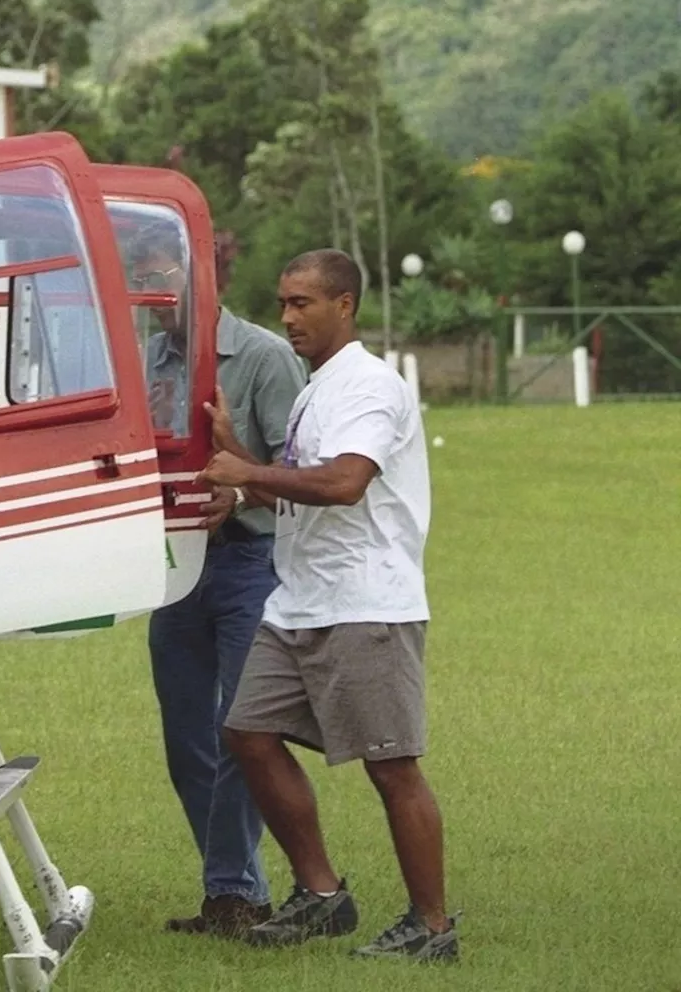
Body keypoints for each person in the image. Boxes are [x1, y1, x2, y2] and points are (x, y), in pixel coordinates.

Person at [202, 247, 457, 962]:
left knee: (392, 766)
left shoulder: (368, 387)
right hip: (301, 601)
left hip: (366, 602)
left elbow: (345, 483)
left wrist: (247, 468)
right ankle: (322, 894)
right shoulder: (320, 386)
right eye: (283, 302)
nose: (287, 317)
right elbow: (300, 486)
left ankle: (432, 929)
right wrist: (243, 467)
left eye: (302, 303)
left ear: (344, 305)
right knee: (247, 732)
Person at [145, 229, 305, 941]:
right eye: (140, 280)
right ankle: (234, 888)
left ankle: (233, 893)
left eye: (161, 277)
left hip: (249, 567)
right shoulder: (150, 360)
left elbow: (306, 480)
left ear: (202, 277)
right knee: (188, 740)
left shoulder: (266, 358)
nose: (151, 295)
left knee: (242, 731)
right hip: (176, 569)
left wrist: (237, 499)